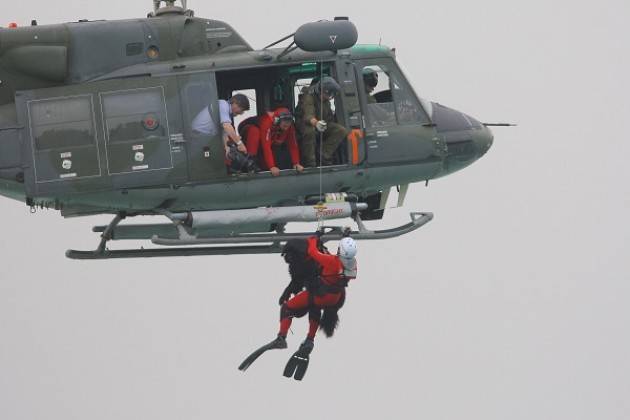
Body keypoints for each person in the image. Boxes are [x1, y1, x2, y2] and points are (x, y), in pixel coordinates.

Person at [238, 234, 358, 380]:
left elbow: (313, 253)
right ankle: (309, 340)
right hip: (336, 298)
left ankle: (281, 337)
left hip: (321, 294)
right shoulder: (352, 264)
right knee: (315, 308)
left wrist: (312, 240)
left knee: (287, 308)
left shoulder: (332, 261)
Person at [295, 77, 349, 167]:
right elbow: (308, 115)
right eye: (328, 95)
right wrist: (316, 123)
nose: (329, 97)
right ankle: (310, 162)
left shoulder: (325, 100)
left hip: (319, 123)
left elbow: (328, 117)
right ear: (323, 91)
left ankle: (323, 153)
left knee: (341, 130)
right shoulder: (308, 96)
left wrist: (325, 124)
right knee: (310, 131)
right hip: (305, 124)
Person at [240, 108, 304, 176]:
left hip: (269, 137)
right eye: (284, 126)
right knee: (254, 131)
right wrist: (272, 166)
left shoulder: (289, 126)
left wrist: (296, 163)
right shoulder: (267, 122)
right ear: (277, 121)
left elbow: (293, 145)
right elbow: (266, 147)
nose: (286, 128)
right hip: (248, 129)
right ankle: (251, 163)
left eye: (288, 125)